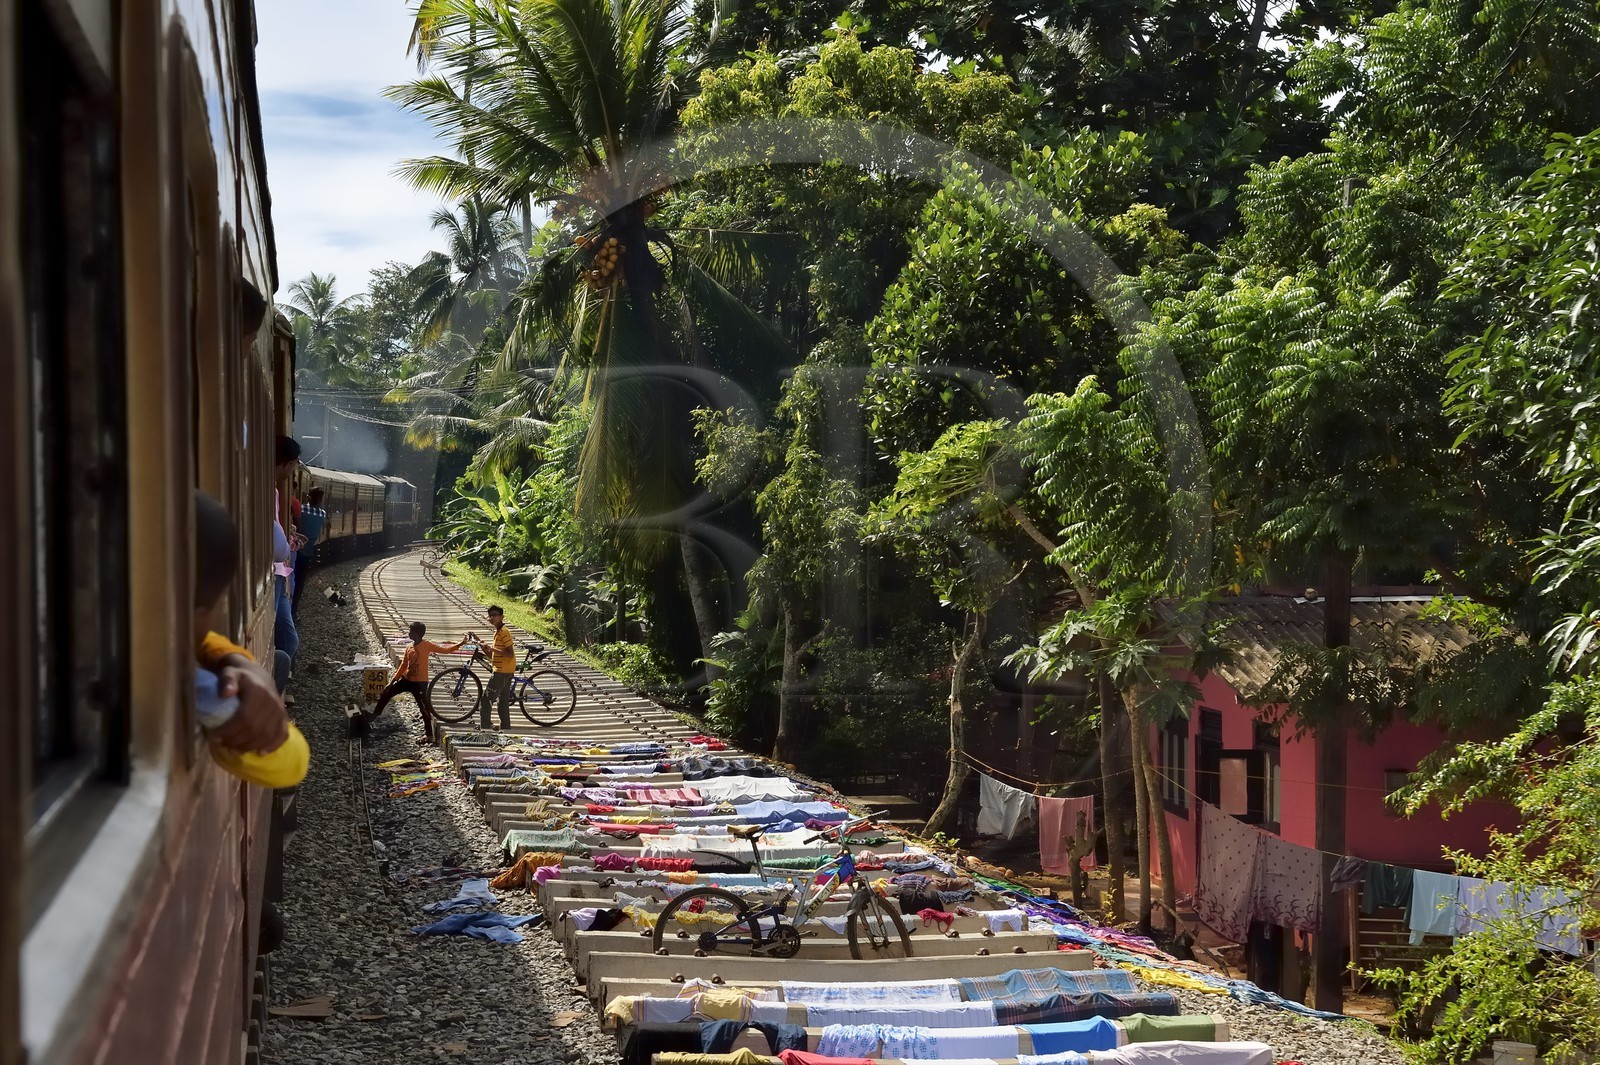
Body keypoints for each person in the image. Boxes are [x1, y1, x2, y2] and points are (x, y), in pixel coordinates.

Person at [194, 491, 309, 787]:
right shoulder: (201, 688)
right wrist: (240, 660)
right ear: (207, 613)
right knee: (283, 656)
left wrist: (228, 655)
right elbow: (290, 760)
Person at [365, 621, 472, 741]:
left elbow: (445, 650)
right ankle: (373, 716)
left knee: (424, 708)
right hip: (407, 680)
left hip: (420, 684)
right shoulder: (409, 647)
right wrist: (393, 681)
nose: (409, 633)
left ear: (416, 633)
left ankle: (429, 735)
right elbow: (404, 665)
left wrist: (461, 643)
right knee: (386, 693)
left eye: (410, 631)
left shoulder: (427, 645)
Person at [273, 435, 302, 690]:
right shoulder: (264, 490)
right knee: (284, 640)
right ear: (289, 463)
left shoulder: (272, 490)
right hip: (272, 576)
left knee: (290, 640)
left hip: (279, 575)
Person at [478, 605, 517, 730]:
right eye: (490, 616)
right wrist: (484, 647)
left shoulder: (504, 632)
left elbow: (510, 653)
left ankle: (485, 728)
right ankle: (505, 727)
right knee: (503, 702)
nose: (492, 618)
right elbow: (493, 656)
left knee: (486, 700)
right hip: (505, 670)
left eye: (495, 615)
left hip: (502, 671)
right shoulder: (497, 632)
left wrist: (491, 648)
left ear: (501, 617)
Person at [292, 486, 327, 618]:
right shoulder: (322, 514)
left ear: (308, 497)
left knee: (291, 579)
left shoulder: (301, 509)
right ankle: (294, 610)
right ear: (321, 500)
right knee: (300, 582)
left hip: (295, 550)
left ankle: (290, 608)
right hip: (308, 553)